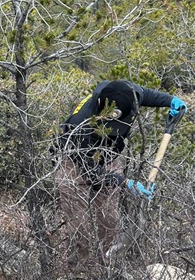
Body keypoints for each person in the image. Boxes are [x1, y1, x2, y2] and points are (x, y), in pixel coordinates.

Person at [52, 79, 186, 262]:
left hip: (109, 158)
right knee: (78, 225)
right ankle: (77, 268)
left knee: (109, 219)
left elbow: (147, 94)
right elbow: (90, 172)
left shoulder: (129, 94)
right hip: (75, 164)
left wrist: (170, 100)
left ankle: (106, 262)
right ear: (100, 105)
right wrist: (126, 183)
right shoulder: (80, 124)